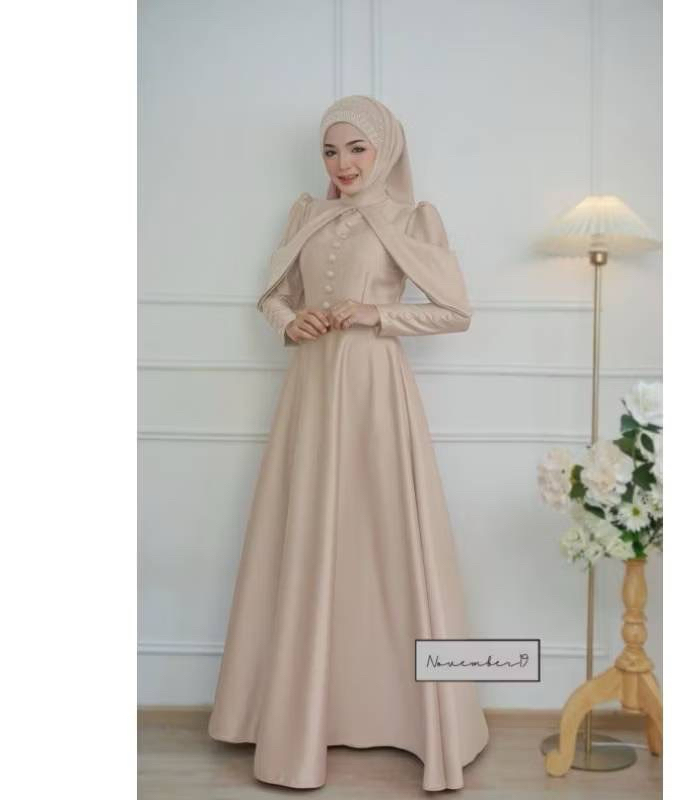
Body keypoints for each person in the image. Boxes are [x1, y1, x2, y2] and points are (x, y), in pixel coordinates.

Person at [208, 95, 489, 792]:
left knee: (383, 538)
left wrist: (376, 312)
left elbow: (455, 311)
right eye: (331, 151)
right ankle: (296, 719)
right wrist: (289, 320)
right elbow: (272, 295)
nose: (343, 164)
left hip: (372, 390)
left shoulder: (413, 220)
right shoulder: (307, 213)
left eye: (357, 148)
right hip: (309, 390)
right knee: (306, 534)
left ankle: (413, 717)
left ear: (385, 149)